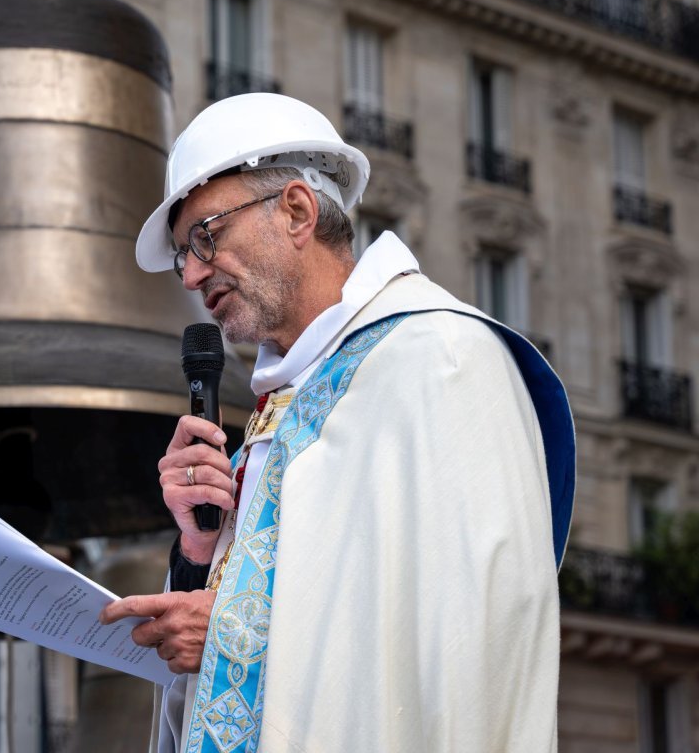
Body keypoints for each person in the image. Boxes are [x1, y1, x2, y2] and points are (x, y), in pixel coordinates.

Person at [98, 93, 575, 752]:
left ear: (296, 210)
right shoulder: (280, 408)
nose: (193, 275)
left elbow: (472, 638)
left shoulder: (442, 361)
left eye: (206, 236)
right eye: (185, 254)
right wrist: (199, 555)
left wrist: (237, 635)